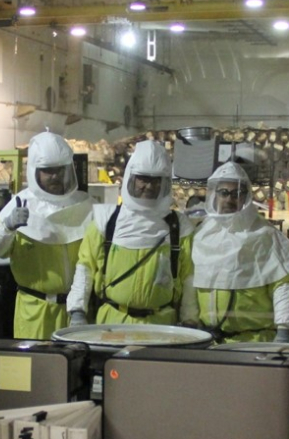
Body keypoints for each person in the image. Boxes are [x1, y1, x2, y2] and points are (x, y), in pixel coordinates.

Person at [66, 139, 196, 326]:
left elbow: (188, 277)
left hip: (162, 326)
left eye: (155, 180)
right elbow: (86, 267)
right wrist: (77, 310)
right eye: (142, 179)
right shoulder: (106, 221)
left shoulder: (180, 227)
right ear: (130, 178)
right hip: (112, 324)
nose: (148, 187)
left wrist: (190, 318)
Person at [0, 130, 93, 338]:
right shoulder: (19, 204)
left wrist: (80, 309)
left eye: (60, 170)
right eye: (47, 170)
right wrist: (7, 226)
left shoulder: (85, 205)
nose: (55, 176)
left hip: (77, 311)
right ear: (34, 171)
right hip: (34, 312)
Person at [191, 161, 289, 343]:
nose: (229, 199)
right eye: (224, 193)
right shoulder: (202, 235)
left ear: (246, 197)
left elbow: (283, 286)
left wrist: (284, 331)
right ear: (215, 194)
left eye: (237, 193)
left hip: (254, 343)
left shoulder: (264, 234)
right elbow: (189, 281)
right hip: (210, 343)